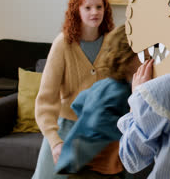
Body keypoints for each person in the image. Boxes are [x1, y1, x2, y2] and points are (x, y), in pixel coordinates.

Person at [33, 0, 114, 179]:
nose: (94, 12)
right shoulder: (63, 44)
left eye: (99, 7)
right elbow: (46, 99)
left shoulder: (114, 41)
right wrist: (54, 140)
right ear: (77, 10)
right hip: (66, 128)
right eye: (87, 7)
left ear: (105, 9)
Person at [55, 25, 148, 179]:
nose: (147, 61)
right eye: (143, 55)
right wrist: (126, 128)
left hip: (108, 168)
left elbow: (79, 102)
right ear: (127, 56)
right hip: (91, 171)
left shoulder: (109, 85)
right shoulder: (117, 90)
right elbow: (97, 119)